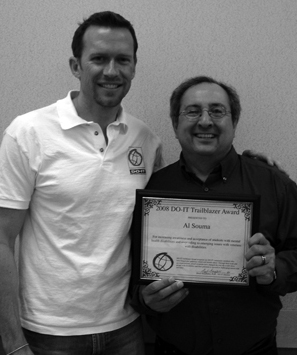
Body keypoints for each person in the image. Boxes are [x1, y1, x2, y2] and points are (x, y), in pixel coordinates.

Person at [0, 11, 164, 355]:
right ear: (76, 66)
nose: (111, 71)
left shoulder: (146, 140)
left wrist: (248, 166)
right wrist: (12, 342)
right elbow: (2, 238)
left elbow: (167, 218)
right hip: (47, 333)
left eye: (123, 60)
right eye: (99, 59)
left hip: (126, 328)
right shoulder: (28, 133)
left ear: (134, 66)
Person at [131, 76, 297, 354]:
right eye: (193, 111)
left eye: (217, 111)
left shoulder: (273, 184)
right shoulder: (152, 188)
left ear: (234, 122)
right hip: (171, 349)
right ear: (175, 124)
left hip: (255, 349)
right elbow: (125, 263)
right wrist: (145, 299)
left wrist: (274, 269)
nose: (205, 121)